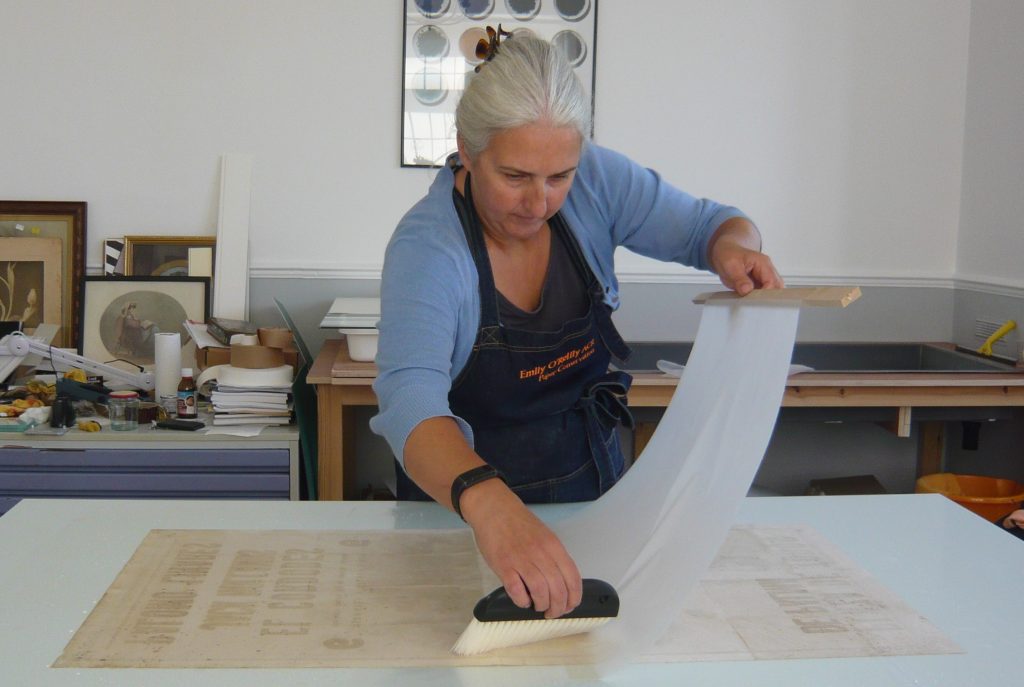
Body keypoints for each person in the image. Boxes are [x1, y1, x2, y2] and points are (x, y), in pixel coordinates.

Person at [370, 34, 783, 620]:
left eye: (559, 176)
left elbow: (712, 226)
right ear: (465, 149)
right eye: (515, 176)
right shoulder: (429, 249)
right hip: (461, 512)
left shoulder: (595, 182)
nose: (539, 202)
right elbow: (410, 401)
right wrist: (490, 506)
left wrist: (733, 251)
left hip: (591, 485)